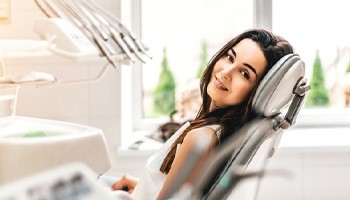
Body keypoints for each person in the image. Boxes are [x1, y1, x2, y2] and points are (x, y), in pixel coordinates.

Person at [110, 28, 294, 199]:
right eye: (230, 57)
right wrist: (140, 186)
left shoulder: (202, 139)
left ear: (257, 92)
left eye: (245, 73)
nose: (226, 72)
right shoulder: (222, 133)